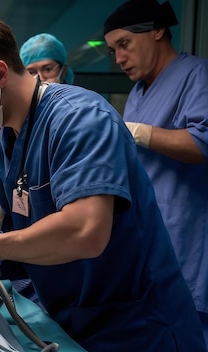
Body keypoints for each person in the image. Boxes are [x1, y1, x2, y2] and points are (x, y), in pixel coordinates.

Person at [0, 5, 206, 351]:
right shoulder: (8, 134)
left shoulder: (79, 118)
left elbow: (86, 231)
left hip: (139, 327)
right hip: (76, 319)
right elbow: (18, 228)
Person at [103, 0, 208, 347]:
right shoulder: (137, 92)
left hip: (187, 239)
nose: (118, 58)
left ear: (158, 31)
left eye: (125, 44)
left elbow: (203, 143)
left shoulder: (196, 75)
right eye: (112, 50)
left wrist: (137, 131)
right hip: (151, 239)